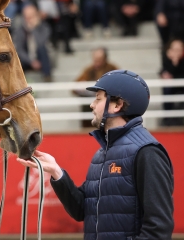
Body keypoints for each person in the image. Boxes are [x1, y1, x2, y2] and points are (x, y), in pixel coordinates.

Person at [17, 70, 174, 239]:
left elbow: (158, 229)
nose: (92, 105)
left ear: (117, 105)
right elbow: (81, 210)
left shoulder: (147, 152)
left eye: (98, 98)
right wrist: (56, 172)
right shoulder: (103, 152)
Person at [160, 39, 184, 123]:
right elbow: (165, 72)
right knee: (166, 89)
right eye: (174, 50)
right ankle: (167, 117)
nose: (176, 52)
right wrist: (174, 63)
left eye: (179, 50)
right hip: (173, 85)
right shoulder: (166, 57)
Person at [12, 5, 52, 81]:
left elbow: (41, 43)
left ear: (37, 16)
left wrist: (33, 29)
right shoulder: (19, 30)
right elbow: (19, 50)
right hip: (26, 59)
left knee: (42, 49)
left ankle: (47, 77)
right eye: (27, 17)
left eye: (32, 16)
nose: (29, 20)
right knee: (16, 57)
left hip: (41, 58)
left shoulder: (45, 28)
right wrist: (31, 62)